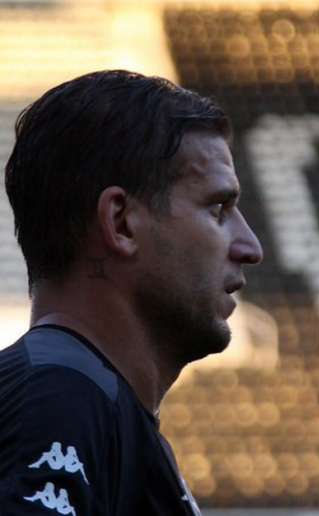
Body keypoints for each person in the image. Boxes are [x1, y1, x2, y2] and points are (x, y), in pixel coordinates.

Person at [0, 70, 263, 515]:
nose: (251, 247)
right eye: (217, 208)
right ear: (121, 223)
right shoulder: (60, 400)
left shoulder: (94, 409)